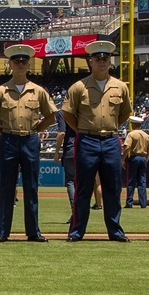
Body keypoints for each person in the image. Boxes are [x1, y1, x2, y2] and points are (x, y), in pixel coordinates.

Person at [62, 39, 132, 241]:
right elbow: (67, 114)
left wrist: (110, 127)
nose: (102, 61)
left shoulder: (120, 87)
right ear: (90, 61)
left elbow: (125, 113)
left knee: (113, 188)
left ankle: (115, 231)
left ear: (110, 61)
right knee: (83, 188)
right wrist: (82, 130)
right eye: (97, 58)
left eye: (105, 58)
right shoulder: (79, 87)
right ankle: (76, 231)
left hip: (110, 140)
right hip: (87, 140)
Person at [0, 43, 55, 242]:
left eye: (24, 61)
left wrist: (37, 130)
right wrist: (1, 132)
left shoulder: (38, 91)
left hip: (30, 139)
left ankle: (33, 231)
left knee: (31, 187)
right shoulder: (1, 91)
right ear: (10, 64)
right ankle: (2, 232)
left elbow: (51, 116)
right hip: (8, 139)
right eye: (17, 61)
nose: (20, 64)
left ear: (29, 64)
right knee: (6, 187)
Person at [123, 120, 149, 209]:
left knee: (131, 180)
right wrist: (146, 159)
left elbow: (127, 147)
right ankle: (143, 203)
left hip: (134, 157)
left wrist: (122, 159)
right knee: (142, 181)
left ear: (133, 124)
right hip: (143, 157)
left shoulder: (131, 134)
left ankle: (129, 202)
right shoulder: (146, 135)